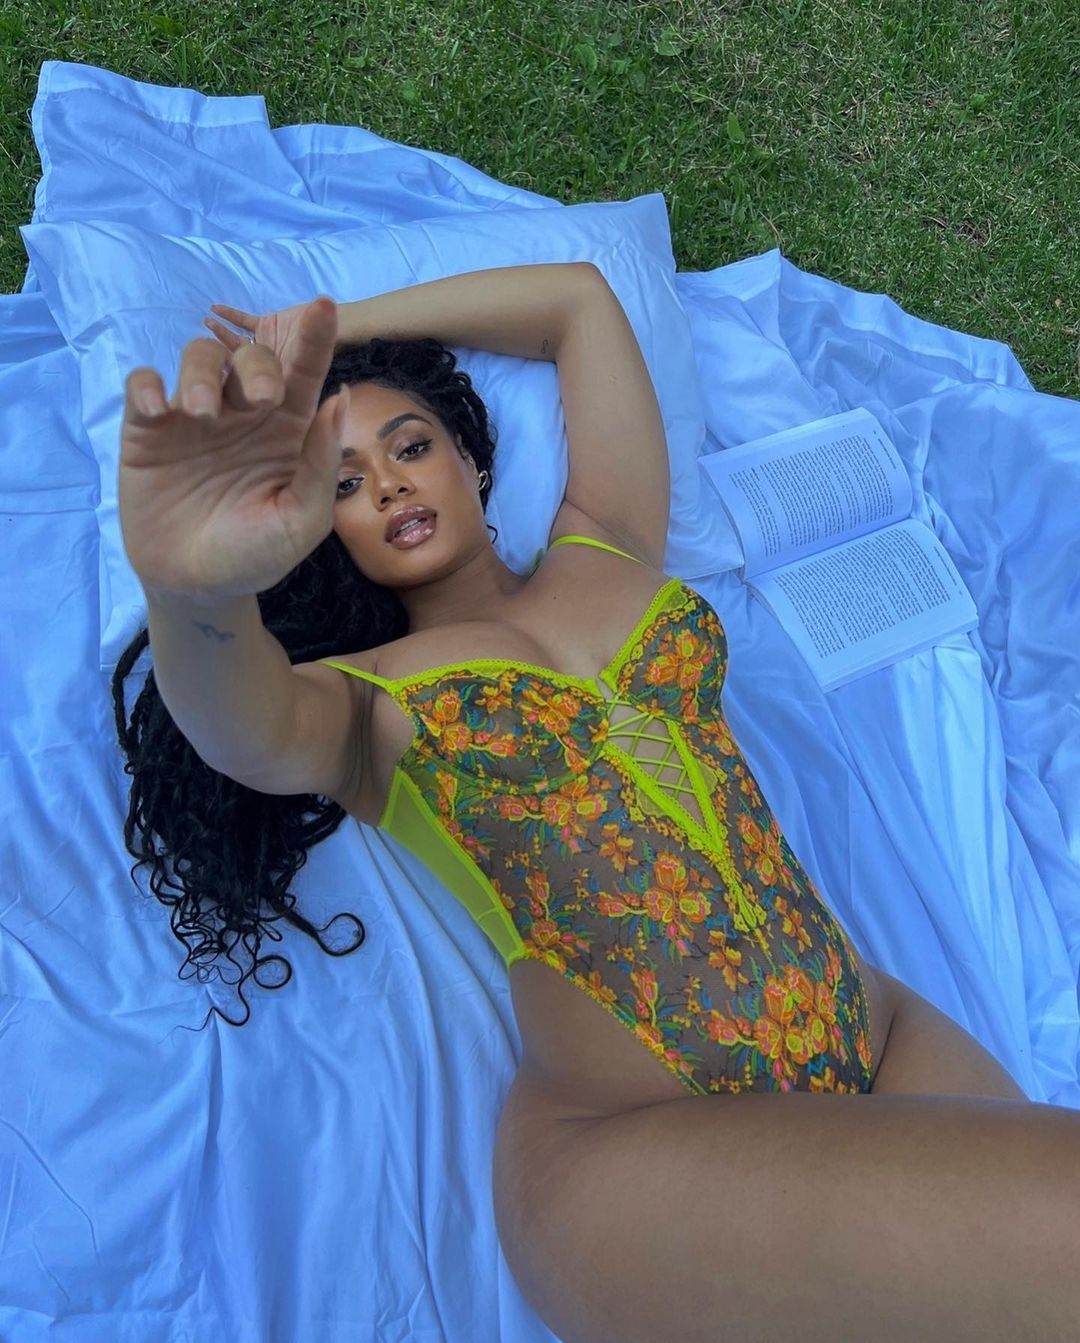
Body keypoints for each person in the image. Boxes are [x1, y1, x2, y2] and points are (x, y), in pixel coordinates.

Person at [114, 271, 1078, 1342]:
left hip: (876, 1035)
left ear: (472, 459)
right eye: (343, 483)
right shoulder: (364, 700)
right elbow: (239, 725)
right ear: (319, 530)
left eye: (409, 445)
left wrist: (336, 333)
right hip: (635, 1148)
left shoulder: (607, 543)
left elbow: (577, 302)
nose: (386, 484)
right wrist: (194, 591)